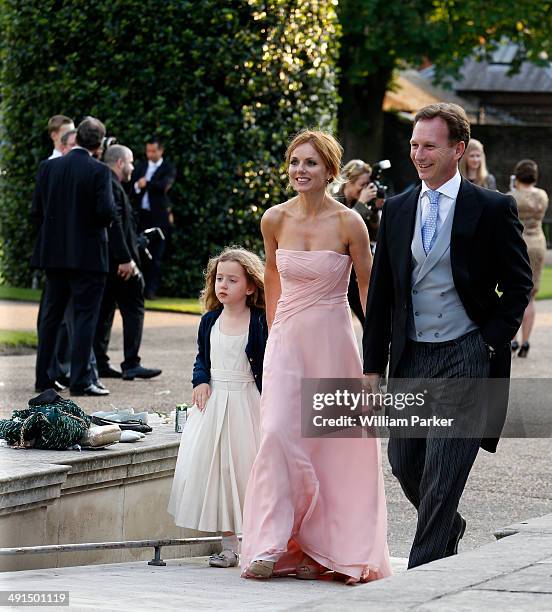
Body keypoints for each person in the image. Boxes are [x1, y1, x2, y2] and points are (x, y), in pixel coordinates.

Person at [363, 103, 533, 569]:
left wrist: (489, 341)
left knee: (443, 475)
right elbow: (380, 295)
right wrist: (372, 367)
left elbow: (519, 284)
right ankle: (449, 527)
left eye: (429, 146)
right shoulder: (397, 209)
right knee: (404, 464)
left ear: (458, 149)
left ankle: (418, 581)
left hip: (467, 355)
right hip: (412, 356)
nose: (418, 154)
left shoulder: (493, 208)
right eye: (414, 145)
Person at [240, 130, 391, 584]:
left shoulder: (350, 224)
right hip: (286, 340)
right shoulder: (273, 219)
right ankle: (269, 543)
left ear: (329, 170)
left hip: (334, 342)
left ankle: (336, 549)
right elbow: (270, 272)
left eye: (309, 163)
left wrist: (374, 356)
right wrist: (270, 334)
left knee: (335, 448)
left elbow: (367, 288)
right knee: (278, 433)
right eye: (293, 162)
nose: (299, 170)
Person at [168, 247, 267, 568]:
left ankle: (257, 544)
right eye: (219, 278)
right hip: (214, 406)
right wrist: (200, 381)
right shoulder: (209, 320)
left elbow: (267, 364)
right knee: (221, 474)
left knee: (247, 472)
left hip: (248, 404)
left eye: (232, 280)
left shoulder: (260, 321)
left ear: (250, 286)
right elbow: (202, 358)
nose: (222, 285)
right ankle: (229, 547)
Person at [31, 117, 115, 396]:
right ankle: (79, 380)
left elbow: (36, 213)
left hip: (53, 255)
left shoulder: (48, 167)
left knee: (50, 318)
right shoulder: (99, 171)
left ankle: (43, 378)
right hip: (89, 257)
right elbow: (106, 213)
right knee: (84, 319)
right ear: (99, 143)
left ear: (76, 137)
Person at [93, 144, 162, 381]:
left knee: (105, 311)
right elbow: (115, 225)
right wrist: (126, 259)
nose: (134, 166)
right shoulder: (111, 184)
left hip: (108, 262)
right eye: (131, 162)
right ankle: (131, 363)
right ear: (120, 163)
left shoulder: (110, 184)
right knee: (134, 308)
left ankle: (101, 362)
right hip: (121, 263)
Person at [508, 159, 549, 358]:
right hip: (538, 243)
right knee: (531, 296)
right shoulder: (542, 195)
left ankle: (512, 339)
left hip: (518, 244)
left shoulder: (511, 196)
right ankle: (525, 342)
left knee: (513, 293)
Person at [333, 159, 382, 323]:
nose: (365, 189)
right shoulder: (334, 201)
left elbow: (374, 233)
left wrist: (374, 209)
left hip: (356, 270)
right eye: (362, 184)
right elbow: (340, 231)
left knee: (368, 316)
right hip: (339, 273)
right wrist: (361, 204)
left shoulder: (357, 202)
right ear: (349, 182)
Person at [131, 136, 176, 299]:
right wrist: (138, 185)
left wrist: (146, 183)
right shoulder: (141, 166)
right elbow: (131, 186)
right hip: (141, 216)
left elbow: (164, 186)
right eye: (148, 150)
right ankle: (136, 289)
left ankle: (151, 290)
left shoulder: (167, 167)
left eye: (153, 151)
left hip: (159, 218)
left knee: (156, 256)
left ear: (161, 150)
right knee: (137, 253)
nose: (150, 154)